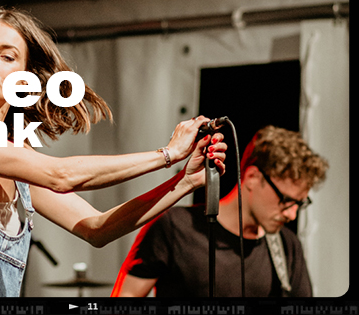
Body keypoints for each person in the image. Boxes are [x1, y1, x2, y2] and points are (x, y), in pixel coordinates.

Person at [0, 6, 228, 297]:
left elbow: (96, 228)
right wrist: (167, 154)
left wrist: (183, 183)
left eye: (7, 56)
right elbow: (61, 176)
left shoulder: (16, 163)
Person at [111, 125, 328, 298]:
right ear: (253, 177)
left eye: (299, 203)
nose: (292, 215)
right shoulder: (174, 227)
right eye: (286, 200)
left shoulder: (288, 246)